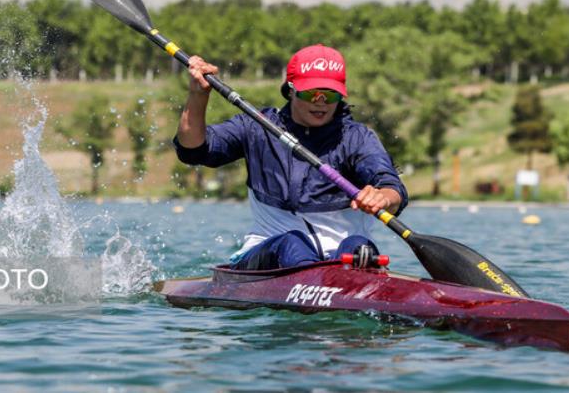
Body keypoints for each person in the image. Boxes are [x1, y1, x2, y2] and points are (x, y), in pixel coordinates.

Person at [173, 44, 408, 270]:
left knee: (359, 248)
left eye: (330, 95)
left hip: (344, 257)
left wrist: (383, 198)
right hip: (270, 251)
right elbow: (193, 150)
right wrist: (198, 95)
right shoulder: (257, 126)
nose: (321, 103)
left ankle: (345, 279)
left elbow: (392, 188)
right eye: (312, 94)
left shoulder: (357, 138)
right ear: (291, 90)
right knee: (292, 243)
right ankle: (313, 280)